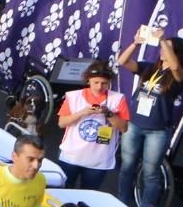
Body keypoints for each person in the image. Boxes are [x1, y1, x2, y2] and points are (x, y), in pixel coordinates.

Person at [117, 31, 183, 207]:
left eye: (168, 48)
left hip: (157, 131)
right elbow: (122, 62)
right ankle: (121, 205)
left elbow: (174, 66)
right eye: (162, 46)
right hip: (134, 124)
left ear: (178, 53)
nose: (162, 49)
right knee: (127, 167)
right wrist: (135, 44)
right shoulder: (150, 68)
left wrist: (163, 40)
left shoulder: (182, 75)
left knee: (151, 172)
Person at [55, 62, 130, 192]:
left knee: (88, 198)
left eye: (104, 83)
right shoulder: (74, 96)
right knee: (61, 192)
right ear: (88, 80)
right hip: (71, 157)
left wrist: (109, 113)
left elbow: (123, 127)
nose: (100, 87)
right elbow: (62, 123)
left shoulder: (117, 99)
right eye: (96, 82)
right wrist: (81, 113)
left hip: (98, 161)